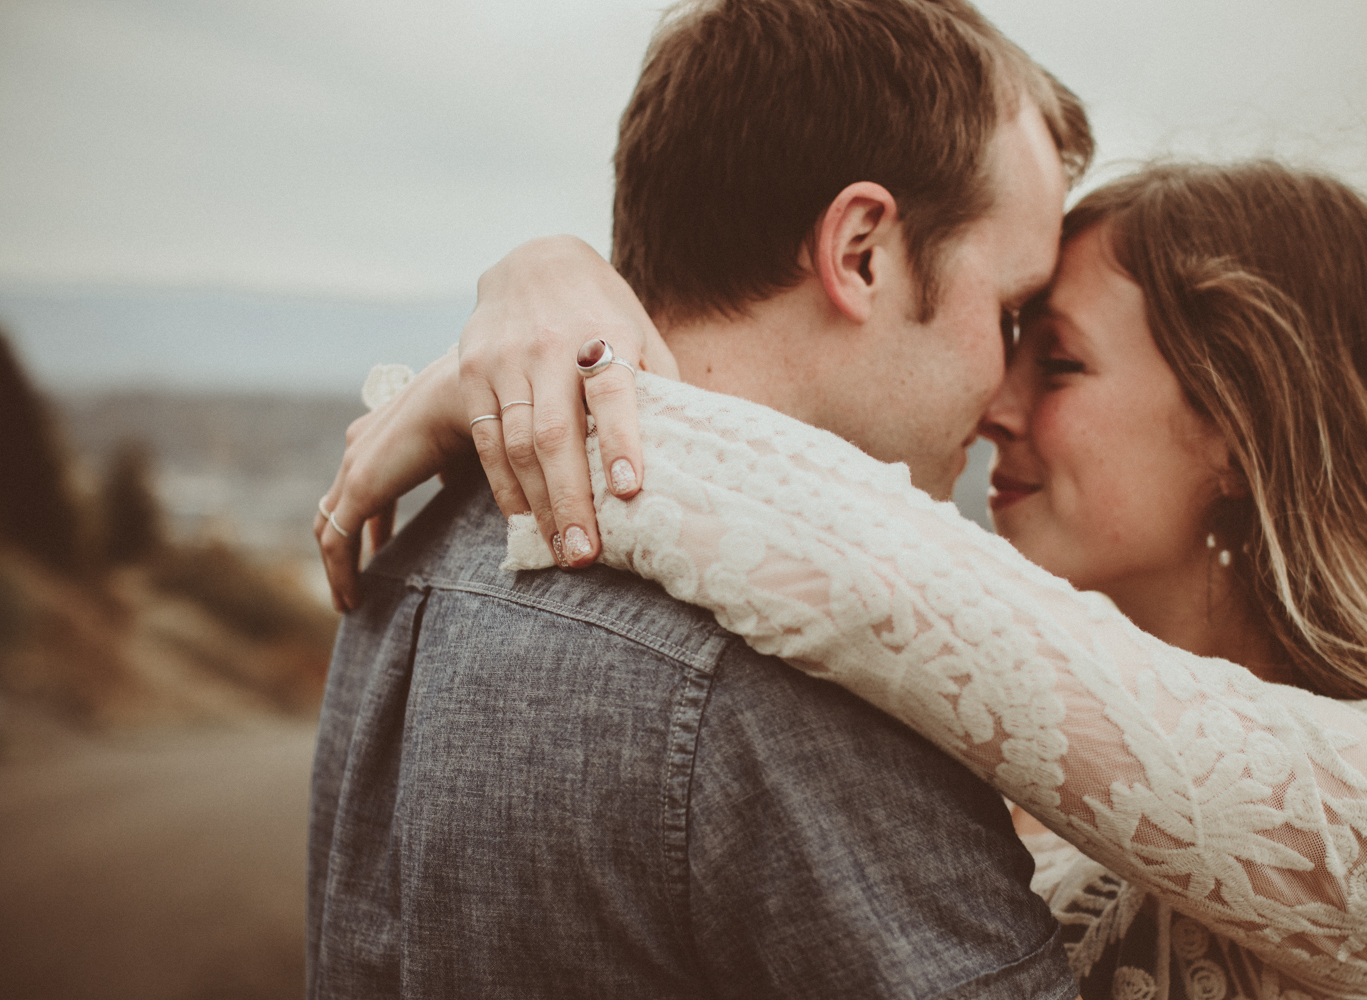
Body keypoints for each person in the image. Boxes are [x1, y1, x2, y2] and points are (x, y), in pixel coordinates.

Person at [319, 161, 1367, 1000]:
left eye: (1064, 363)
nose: (996, 409)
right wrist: (538, 287)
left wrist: (550, 370)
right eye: (1011, 342)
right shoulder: (1053, 769)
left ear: (1240, 427)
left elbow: (890, 584)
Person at [305, 1, 1097, 997]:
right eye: (1011, 310)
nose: (1008, 391)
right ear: (861, 253)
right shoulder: (812, 644)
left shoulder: (422, 540)